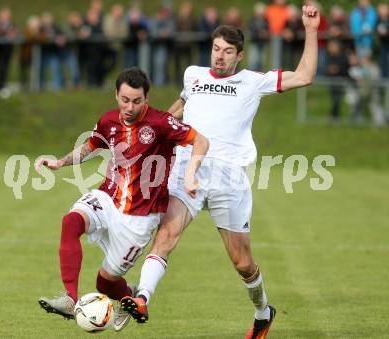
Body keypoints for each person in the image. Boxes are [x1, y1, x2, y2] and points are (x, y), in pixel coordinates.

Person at [121, 5, 320, 339]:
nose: (220, 56)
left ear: (239, 56)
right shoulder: (193, 75)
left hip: (230, 176)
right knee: (167, 236)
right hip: (190, 168)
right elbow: (180, 109)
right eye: (216, 49)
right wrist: (154, 135)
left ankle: (262, 311)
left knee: (243, 263)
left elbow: (305, 76)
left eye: (228, 52)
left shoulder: (254, 82)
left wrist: (311, 30)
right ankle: (142, 298)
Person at [36, 67, 209, 332]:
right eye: (125, 99)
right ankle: (70, 299)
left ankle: (129, 295)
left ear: (146, 99)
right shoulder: (108, 121)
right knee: (71, 222)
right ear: (116, 94)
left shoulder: (161, 123)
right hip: (108, 198)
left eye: (136, 101)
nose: (129, 106)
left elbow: (201, 141)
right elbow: (90, 147)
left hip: (140, 218)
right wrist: (60, 162)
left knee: (104, 284)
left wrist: (190, 174)